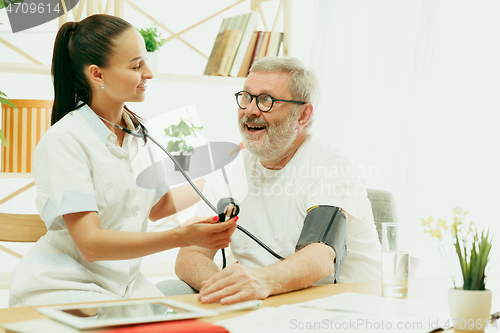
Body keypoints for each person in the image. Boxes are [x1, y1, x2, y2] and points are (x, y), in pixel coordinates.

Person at [8, 14, 237, 307]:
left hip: (125, 288)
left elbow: (157, 206)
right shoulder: (64, 141)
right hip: (64, 287)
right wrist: (183, 236)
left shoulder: (139, 135)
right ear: (97, 74)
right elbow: (90, 245)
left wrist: (217, 172)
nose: (149, 73)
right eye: (136, 65)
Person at [157, 56, 381, 304]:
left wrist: (259, 283)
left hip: (331, 306)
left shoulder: (331, 168)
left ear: (302, 115)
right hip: (257, 301)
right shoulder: (232, 167)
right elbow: (192, 252)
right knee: (162, 292)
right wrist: (224, 288)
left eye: (266, 100)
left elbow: (320, 255)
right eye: (246, 97)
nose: (250, 110)